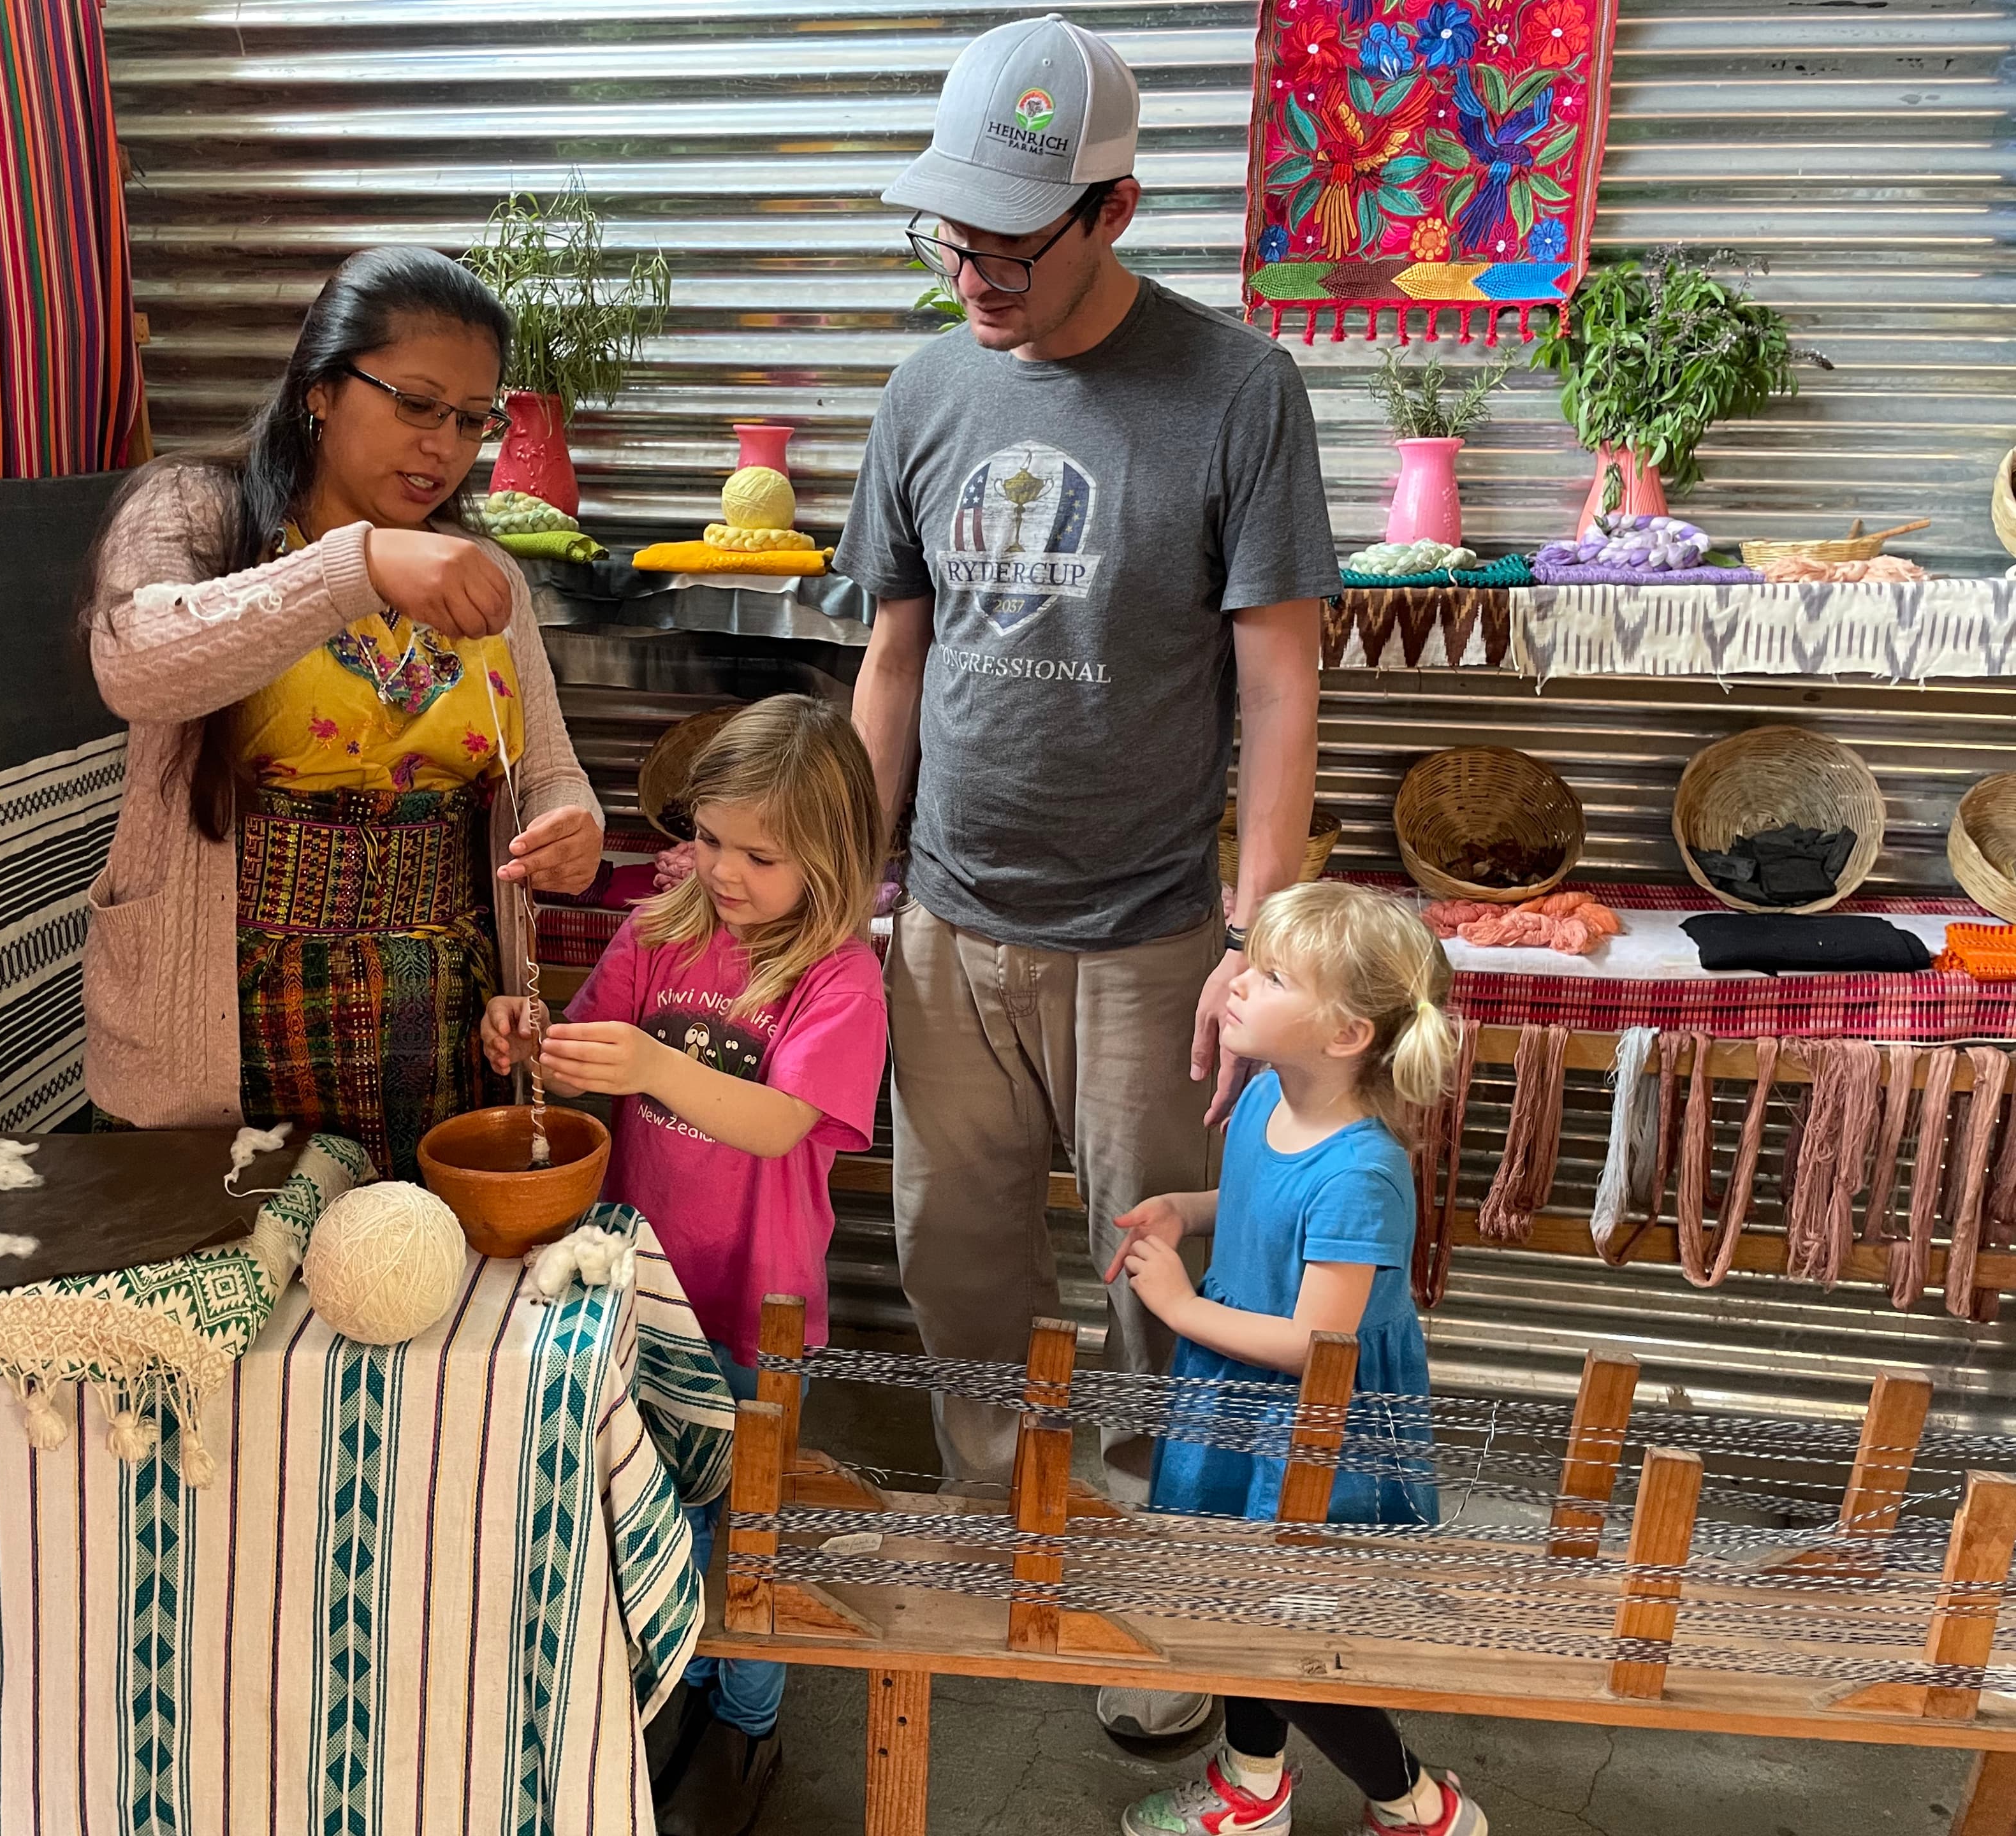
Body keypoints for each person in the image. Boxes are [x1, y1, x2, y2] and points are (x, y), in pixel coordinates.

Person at [838, 11, 1337, 1747]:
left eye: (1011, 243)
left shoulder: (1235, 391)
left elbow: (1281, 680)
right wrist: (855, 887)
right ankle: (998, 1527)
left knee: (1160, 1279)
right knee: (955, 1261)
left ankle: (1153, 1584)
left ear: (1111, 212)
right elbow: (895, 657)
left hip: (1148, 939)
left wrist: (1259, 943)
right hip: (948, 926)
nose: (974, 271)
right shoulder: (924, 388)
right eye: (951, 236)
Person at [77, 246, 604, 1172]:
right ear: (321, 388)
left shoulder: (485, 581)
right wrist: (355, 567)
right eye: (415, 403)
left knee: (420, 1273)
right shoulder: (197, 510)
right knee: (240, 1276)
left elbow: (546, 765)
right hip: (227, 1013)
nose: (443, 445)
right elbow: (138, 665)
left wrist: (572, 820)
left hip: (435, 1011)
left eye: (472, 420)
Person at [485, 695, 889, 1836]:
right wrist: (534, 1039)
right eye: (709, 837)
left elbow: (775, 1122)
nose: (724, 870)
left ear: (832, 857)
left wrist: (649, 1063)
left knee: (744, 1520)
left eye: (762, 855)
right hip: (636, 1286)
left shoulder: (840, 979)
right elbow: (586, 1060)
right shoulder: (663, 926)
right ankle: (671, 1678)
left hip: (756, 1306)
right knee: (647, 1496)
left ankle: (745, 1714)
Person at [1111, 881, 1487, 1836]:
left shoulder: (1363, 1171)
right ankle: (1252, 1784)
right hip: (1243, 1396)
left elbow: (1320, 1347)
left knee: (1290, 1630)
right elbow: (1255, 1206)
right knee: (1244, 1602)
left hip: (1320, 1423)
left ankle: (1419, 1805)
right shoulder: (1269, 1099)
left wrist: (1180, 1305)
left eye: (1273, 976)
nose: (1239, 985)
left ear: (1347, 1034)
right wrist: (1183, 1213)